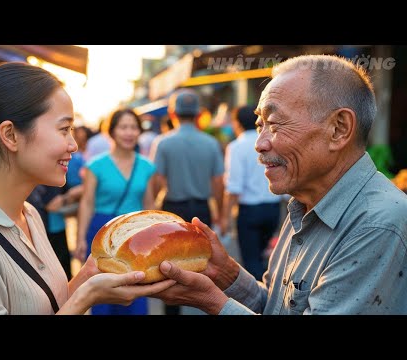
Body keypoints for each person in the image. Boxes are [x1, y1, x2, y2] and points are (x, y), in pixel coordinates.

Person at [152, 54, 407, 315]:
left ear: (338, 129)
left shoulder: (377, 223)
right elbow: (278, 307)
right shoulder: (305, 203)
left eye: (273, 124)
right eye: (259, 124)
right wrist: (226, 274)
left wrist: (212, 301)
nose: (259, 143)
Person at [0, 62, 174, 315]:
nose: (73, 145)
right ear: (10, 135)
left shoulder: (29, 214)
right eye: (64, 129)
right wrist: (85, 297)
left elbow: (45, 306)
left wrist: (87, 276)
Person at [75, 108, 156, 315]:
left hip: (137, 234)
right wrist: (80, 240)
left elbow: (150, 206)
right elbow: (87, 203)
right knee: (103, 295)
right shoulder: (95, 165)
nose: (129, 133)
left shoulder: (146, 165)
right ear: (111, 131)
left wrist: (156, 241)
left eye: (133, 128)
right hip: (102, 232)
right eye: (123, 127)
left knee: (136, 290)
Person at [150, 89, 224, 315]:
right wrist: (219, 212)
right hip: (201, 211)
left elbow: (157, 179)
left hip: (173, 209)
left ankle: (171, 310)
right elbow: (218, 182)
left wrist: (155, 205)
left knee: (169, 266)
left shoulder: (163, 143)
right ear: (199, 114)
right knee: (202, 265)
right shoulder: (211, 143)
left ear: (173, 113)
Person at [220, 105, 281, 280]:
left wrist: (226, 217)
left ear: (237, 123)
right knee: (267, 257)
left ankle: (261, 301)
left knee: (251, 259)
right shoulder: (270, 141)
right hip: (272, 208)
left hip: (249, 211)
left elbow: (234, 186)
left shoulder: (236, 146)